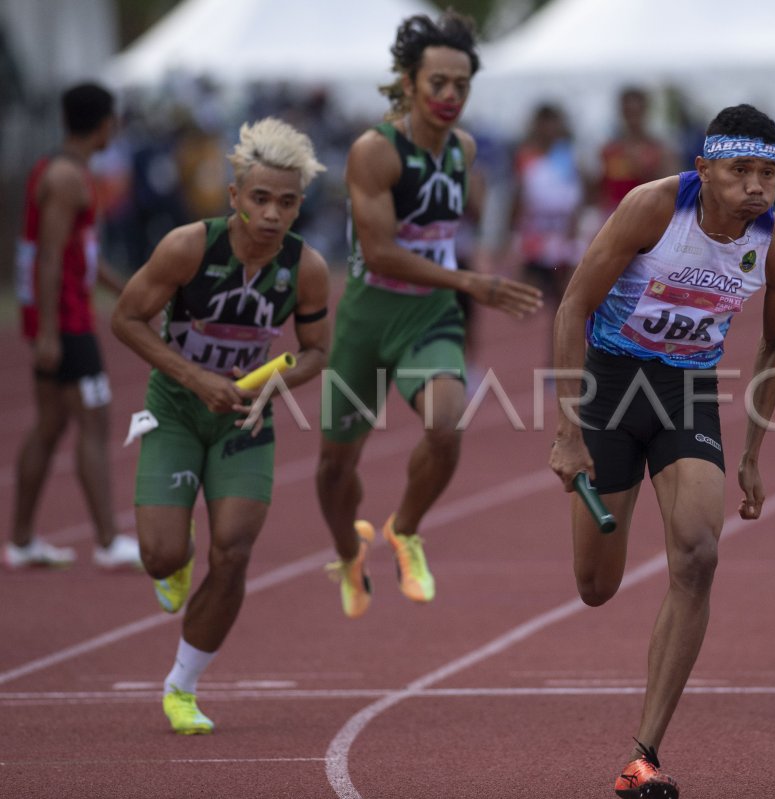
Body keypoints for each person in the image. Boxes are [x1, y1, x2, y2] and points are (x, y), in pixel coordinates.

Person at [550, 104, 775, 798]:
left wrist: (752, 451)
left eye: (768, 172)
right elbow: (574, 302)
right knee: (596, 586)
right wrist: (569, 429)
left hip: (684, 391)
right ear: (705, 170)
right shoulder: (651, 209)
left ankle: (644, 755)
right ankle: (607, 508)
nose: (756, 185)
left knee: (698, 553)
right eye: (740, 171)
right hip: (609, 383)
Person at [316, 11, 542, 620]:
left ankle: (405, 530)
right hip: (367, 321)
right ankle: (347, 551)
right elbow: (382, 251)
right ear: (410, 83)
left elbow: (449, 227)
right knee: (335, 468)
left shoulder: (465, 151)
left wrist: (465, 277)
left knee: (446, 427)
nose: (449, 96)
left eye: (461, 86)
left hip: (430, 318)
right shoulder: (375, 152)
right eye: (437, 83)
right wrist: (472, 280)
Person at [110, 118, 331, 734]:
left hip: (244, 416)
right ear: (234, 196)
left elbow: (316, 350)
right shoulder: (188, 246)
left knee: (232, 552)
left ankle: (182, 686)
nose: (271, 213)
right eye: (259, 198)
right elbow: (127, 319)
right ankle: (172, 561)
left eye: (285, 202)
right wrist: (195, 379)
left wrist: (272, 387)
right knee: (159, 554)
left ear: (298, 206)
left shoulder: (304, 267)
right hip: (178, 408)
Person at [7, 81, 142, 571]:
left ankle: (21, 540)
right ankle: (108, 539)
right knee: (94, 419)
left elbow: (80, 254)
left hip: (61, 315)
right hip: (65, 322)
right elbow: (46, 258)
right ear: (105, 124)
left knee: (49, 424)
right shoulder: (67, 179)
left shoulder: (60, 169)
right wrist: (46, 332)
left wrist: (127, 289)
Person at [509, 102, 585, 358]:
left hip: (561, 237)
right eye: (545, 123)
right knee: (525, 306)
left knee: (565, 301)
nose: (550, 128)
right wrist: (511, 234)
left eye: (554, 123)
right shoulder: (525, 156)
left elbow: (578, 193)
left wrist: (574, 228)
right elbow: (517, 195)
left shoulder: (568, 156)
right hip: (535, 237)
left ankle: (558, 358)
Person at [594, 86, 673, 218]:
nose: (632, 119)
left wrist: (640, 167)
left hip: (647, 216)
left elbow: (669, 188)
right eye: (628, 112)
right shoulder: (609, 150)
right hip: (614, 217)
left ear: (645, 111)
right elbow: (600, 188)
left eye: (636, 112)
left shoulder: (658, 149)